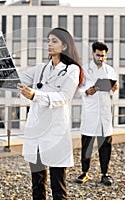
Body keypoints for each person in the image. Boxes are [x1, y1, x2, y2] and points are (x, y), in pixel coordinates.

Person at [17, 28, 84, 199]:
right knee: (37, 184)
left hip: (55, 131)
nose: (49, 44)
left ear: (65, 46)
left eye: (54, 41)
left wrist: (35, 95)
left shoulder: (72, 70)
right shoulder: (41, 68)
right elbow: (16, 77)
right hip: (37, 130)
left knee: (58, 185)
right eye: (48, 40)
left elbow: (64, 96)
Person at [76, 41, 118, 186]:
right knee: (87, 145)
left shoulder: (110, 70)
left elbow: (112, 90)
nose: (100, 58)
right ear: (93, 53)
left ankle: (105, 174)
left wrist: (114, 87)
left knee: (105, 145)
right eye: (98, 55)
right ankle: (84, 172)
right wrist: (87, 91)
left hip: (105, 113)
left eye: (103, 56)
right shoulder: (84, 69)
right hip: (90, 112)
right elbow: (77, 89)